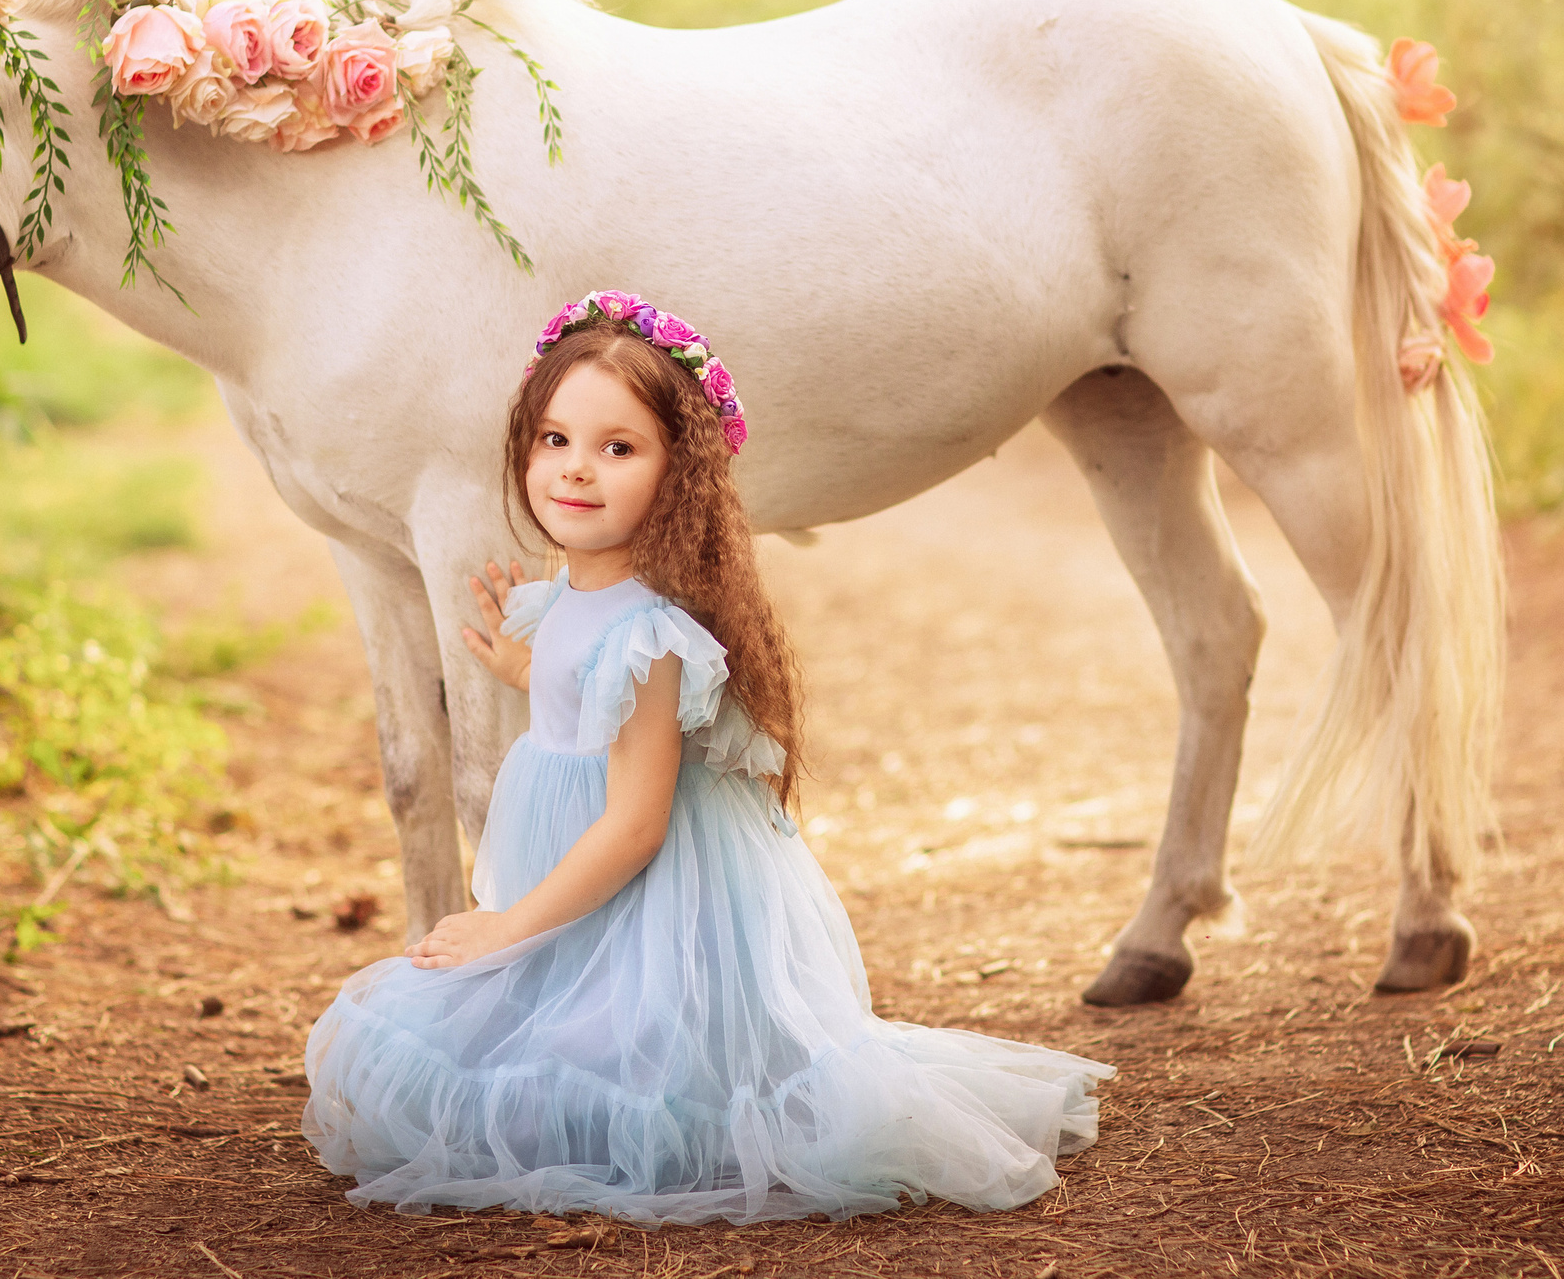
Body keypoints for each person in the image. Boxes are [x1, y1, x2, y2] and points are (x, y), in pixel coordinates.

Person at [301, 290, 1113, 1224]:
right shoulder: (572, 596)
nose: (575, 470)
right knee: (479, 1042)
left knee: (603, 1084)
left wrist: (507, 925)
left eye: (618, 448)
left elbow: (636, 824)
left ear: (677, 472)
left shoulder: (651, 636)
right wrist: (523, 663)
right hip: (583, 887)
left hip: (641, 898)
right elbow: (584, 699)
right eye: (554, 440)